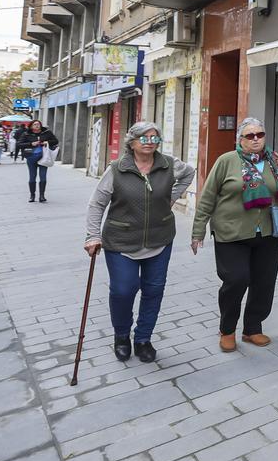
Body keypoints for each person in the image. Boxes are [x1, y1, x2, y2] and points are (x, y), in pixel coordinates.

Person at [84, 121, 195, 363]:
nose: (150, 143)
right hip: (121, 241)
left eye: (155, 138)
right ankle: (122, 335)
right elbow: (97, 204)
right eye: (144, 138)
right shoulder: (117, 168)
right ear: (132, 142)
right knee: (124, 290)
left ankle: (143, 338)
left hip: (160, 239)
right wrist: (93, 236)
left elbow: (189, 173)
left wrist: (170, 198)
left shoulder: (168, 164)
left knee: (154, 290)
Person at [192, 117, 278, 353]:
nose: (256, 139)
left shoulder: (274, 161)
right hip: (231, 233)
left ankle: (252, 328)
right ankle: (227, 329)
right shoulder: (226, 161)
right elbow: (208, 196)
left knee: (264, 282)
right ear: (240, 139)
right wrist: (198, 230)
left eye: (259, 135)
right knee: (236, 279)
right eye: (250, 136)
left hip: (268, 232)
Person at [16, 120, 59, 202]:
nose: (37, 126)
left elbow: (56, 141)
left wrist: (47, 142)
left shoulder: (47, 132)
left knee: (43, 177)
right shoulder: (26, 134)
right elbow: (19, 144)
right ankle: (32, 196)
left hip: (44, 157)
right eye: (35, 124)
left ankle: (42, 196)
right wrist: (31, 144)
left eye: (38, 124)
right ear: (31, 126)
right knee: (32, 177)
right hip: (31, 157)